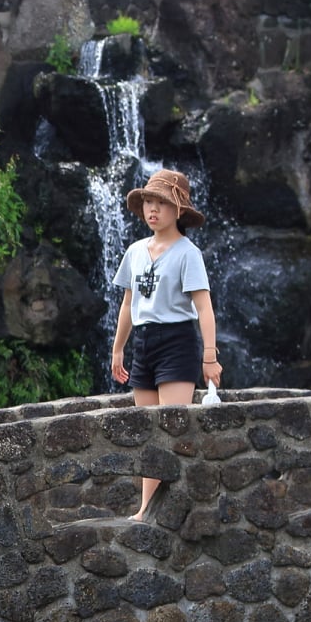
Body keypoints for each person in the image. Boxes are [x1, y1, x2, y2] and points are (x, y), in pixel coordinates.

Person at [108, 168, 220, 520]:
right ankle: (145, 509)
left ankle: (175, 509)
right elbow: (128, 303)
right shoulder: (136, 251)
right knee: (148, 431)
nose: (152, 210)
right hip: (144, 342)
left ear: (179, 211)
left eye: (161, 203)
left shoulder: (188, 253)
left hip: (178, 340)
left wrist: (209, 356)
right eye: (148, 203)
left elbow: (204, 307)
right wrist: (118, 348)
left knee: (171, 426)